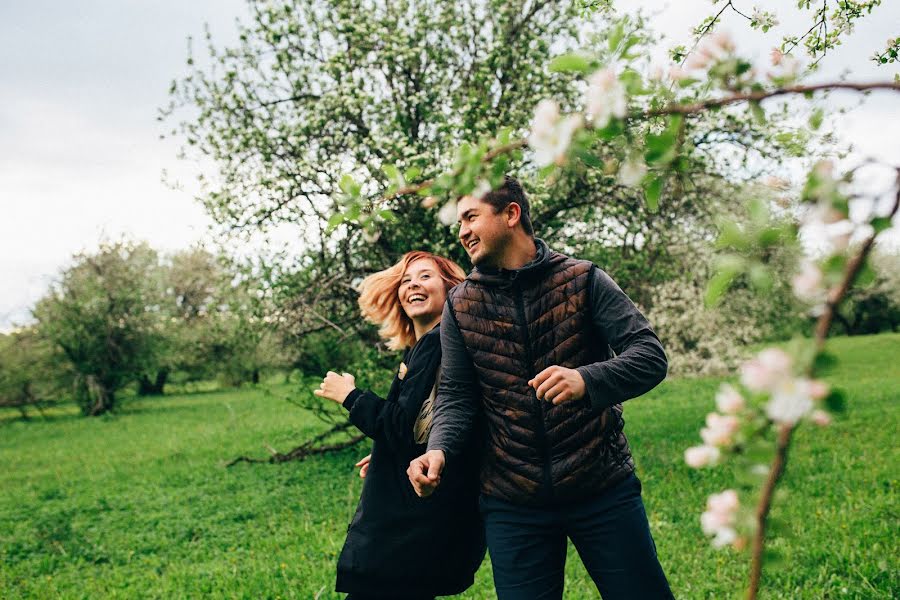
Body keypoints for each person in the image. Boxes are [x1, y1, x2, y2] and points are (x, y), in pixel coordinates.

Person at [407, 177, 675, 599]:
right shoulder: (461, 304)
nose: (461, 232)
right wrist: (437, 448)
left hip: (601, 488)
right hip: (513, 503)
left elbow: (650, 357)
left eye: (471, 217)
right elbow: (457, 396)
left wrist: (587, 379)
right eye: (459, 221)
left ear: (511, 214)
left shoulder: (583, 279)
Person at [315, 251, 485, 600]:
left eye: (425, 277)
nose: (413, 285)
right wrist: (385, 455)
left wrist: (349, 396)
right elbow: (419, 430)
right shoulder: (421, 348)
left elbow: (407, 430)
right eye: (406, 281)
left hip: (412, 530)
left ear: (451, 288)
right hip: (410, 530)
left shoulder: (441, 345)